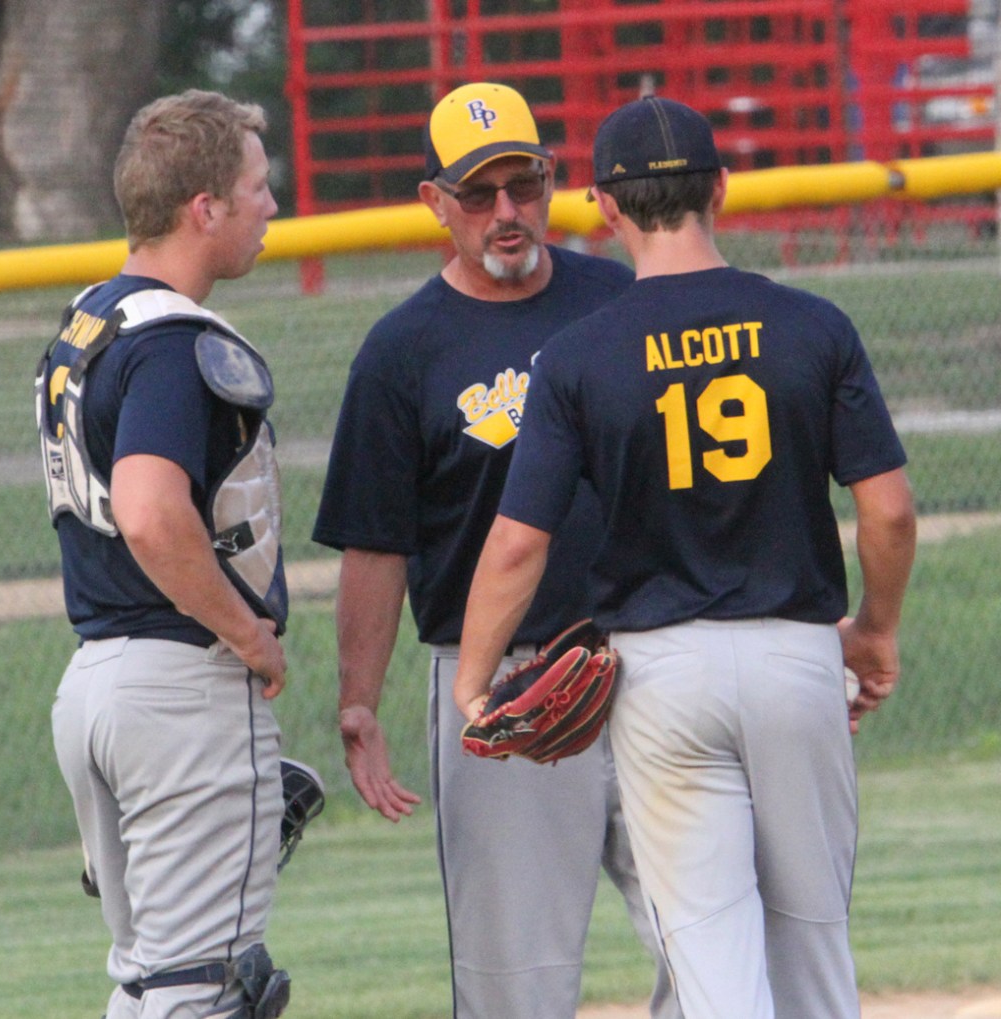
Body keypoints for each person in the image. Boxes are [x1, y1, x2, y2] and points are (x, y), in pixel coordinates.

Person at [453, 96, 917, 1019]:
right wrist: (873, 630)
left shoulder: (578, 355)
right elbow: (891, 510)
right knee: (814, 942)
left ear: (604, 206)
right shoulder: (812, 325)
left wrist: (473, 681)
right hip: (796, 654)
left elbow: (516, 544)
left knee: (711, 955)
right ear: (723, 190)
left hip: (659, 673)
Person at [313, 82, 674, 1019]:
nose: (506, 211)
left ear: (553, 179)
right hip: (501, 688)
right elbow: (375, 544)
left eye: (524, 184)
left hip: (653, 656)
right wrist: (359, 698)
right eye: (479, 193)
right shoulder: (402, 352)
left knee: (719, 942)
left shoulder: (622, 299)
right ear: (435, 202)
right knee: (518, 983)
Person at [37, 90, 291, 1019]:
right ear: (204, 208)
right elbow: (150, 513)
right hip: (179, 688)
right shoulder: (171, 340)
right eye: (256, 186)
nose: (272, 204)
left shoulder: (87, 322)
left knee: (147, 978)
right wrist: (248, 635)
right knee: (205, 986)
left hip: (97, 682)